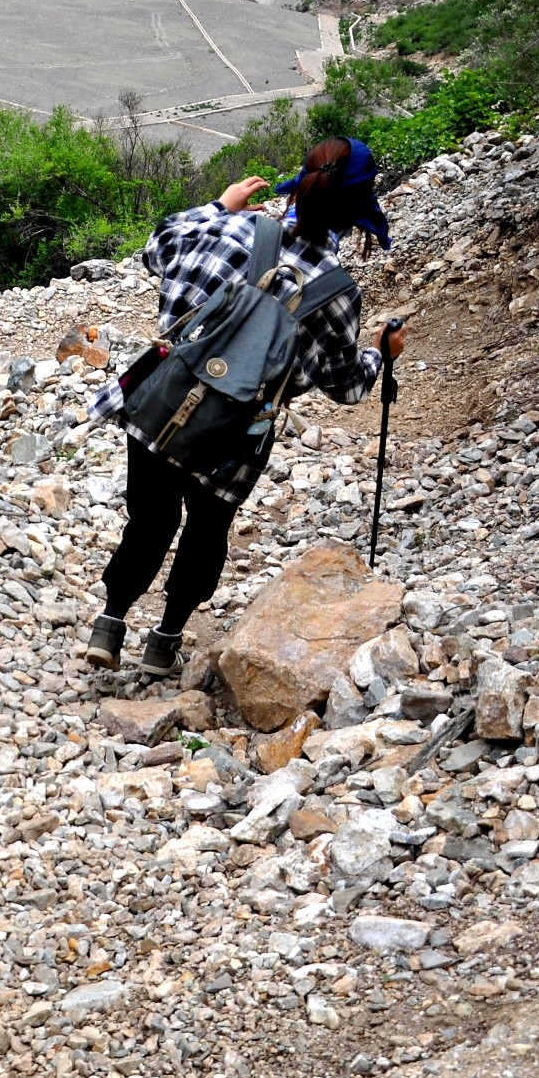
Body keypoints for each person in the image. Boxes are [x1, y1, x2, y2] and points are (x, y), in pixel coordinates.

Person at [81, 136, 410, 676]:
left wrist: (219, 205)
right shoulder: (337, 291)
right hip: (235, 438)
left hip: (160, 405)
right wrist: (379, 352)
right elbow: (347, 387)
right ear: (355, 212)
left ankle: (111, 621)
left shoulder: (231, 228)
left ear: (299, 184)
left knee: (148, 518)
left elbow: (154, 249)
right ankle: (164, 641)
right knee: (207, 530)